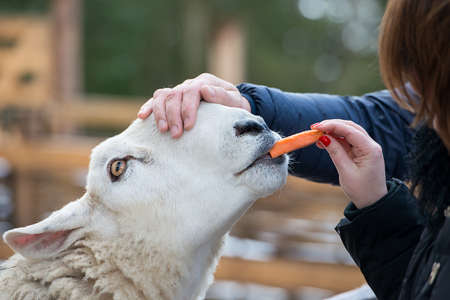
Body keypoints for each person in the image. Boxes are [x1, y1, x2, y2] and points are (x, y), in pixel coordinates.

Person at [139, 0, 450, 299]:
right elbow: (389, 119)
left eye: (432, 88)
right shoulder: (432, 117)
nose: (427, 115)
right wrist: (251, 107)